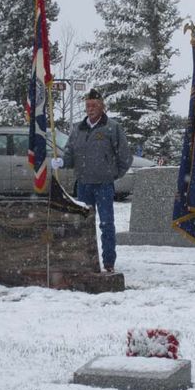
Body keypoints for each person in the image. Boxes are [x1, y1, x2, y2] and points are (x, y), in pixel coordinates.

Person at [52, 88, 132, 273]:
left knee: (106, 224)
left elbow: (125, 156)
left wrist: (113, 174)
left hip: (104, 185)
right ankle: (84, 258)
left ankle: (109, 261)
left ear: (102, 106)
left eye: (94, 105)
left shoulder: (112, 127)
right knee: (82, 224)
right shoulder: (77, 129)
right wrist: (62, 161)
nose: (90, 109)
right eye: (88, 105)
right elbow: (70, 154)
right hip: (83, 185)